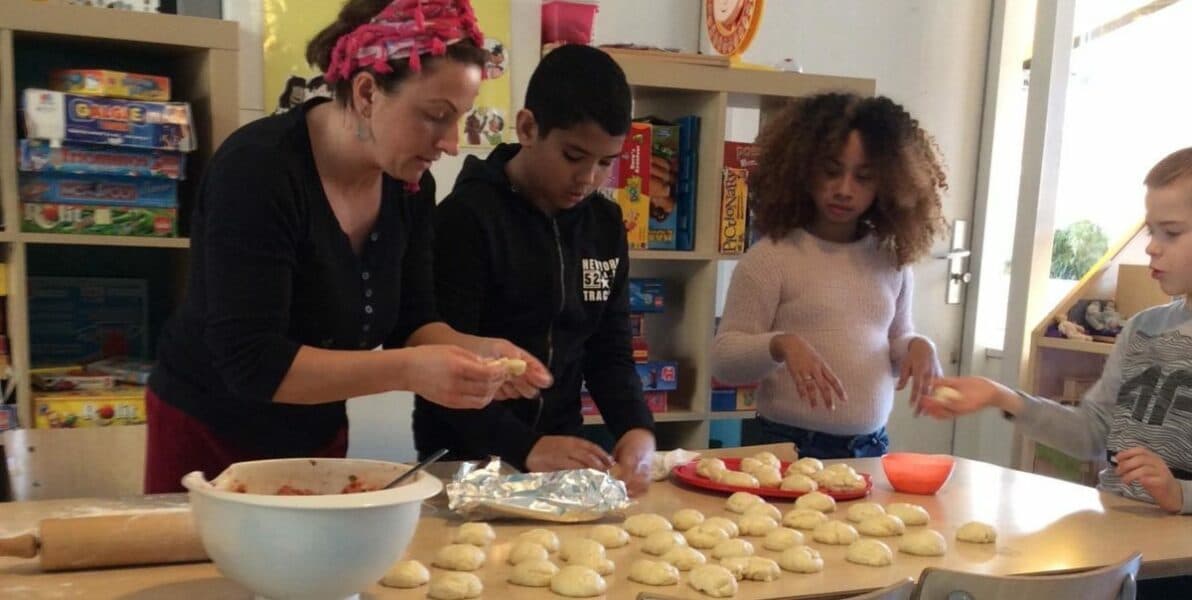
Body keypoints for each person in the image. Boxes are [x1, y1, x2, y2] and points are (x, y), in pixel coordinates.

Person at [144, 0, 551, 494]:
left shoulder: (410, 187)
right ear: (366, 92)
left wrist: (477, 352)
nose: (449, 143)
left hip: (317, 437)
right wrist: (409, 372)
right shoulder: (258, 170)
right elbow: (252, 362)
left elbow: (414, 321)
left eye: (461, 118)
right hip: (210, 434)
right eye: (435, 116)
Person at [415, 45, 656, 495]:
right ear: (528, 128)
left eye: (606, 162)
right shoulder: (466, 220)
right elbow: (444, 372)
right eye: (573, 155)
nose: (588, 178)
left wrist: (635, 428)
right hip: (462, 458)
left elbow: (610, 353)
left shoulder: (604, 225)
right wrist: (524, 446)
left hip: (558, 452)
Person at [923, 147, 1192, 515]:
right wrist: (1002, 397)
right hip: (1117, 541)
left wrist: (1179, 495)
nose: (1151, 247)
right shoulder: (1142, 330)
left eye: (1171, 233)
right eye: (1151, 230)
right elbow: (1091, 434)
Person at [710, 92, 946, 459]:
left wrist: (919, 346)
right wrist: (781, 344)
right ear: (802, 168)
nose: (844, 189)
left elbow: (894, 340)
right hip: (785, 446)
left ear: (889, 183)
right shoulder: (771, 258)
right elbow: (724, 360)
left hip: (870, 447)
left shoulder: (891, 261)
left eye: (863, 177)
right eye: (831, 171)